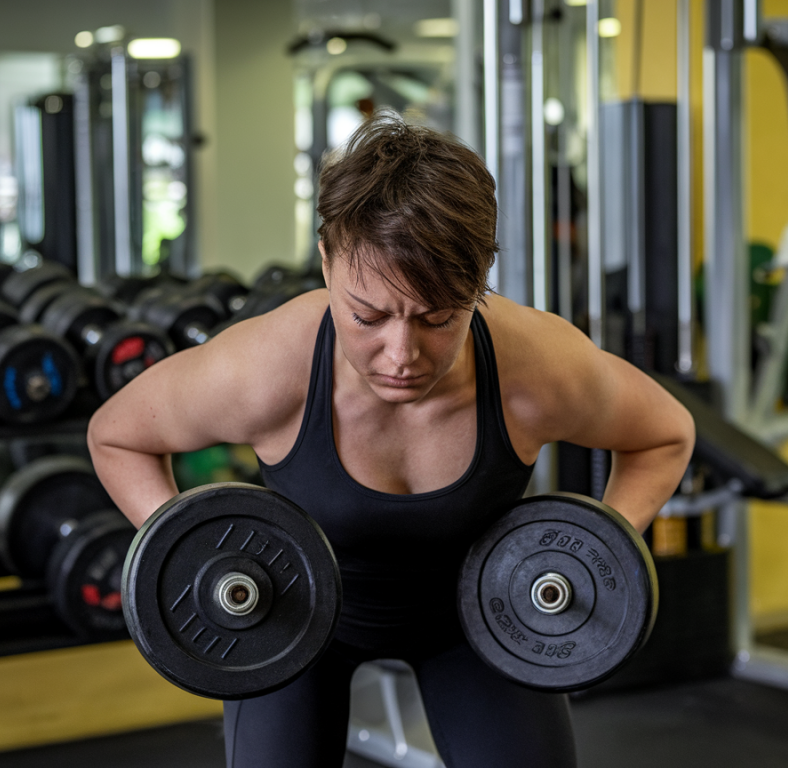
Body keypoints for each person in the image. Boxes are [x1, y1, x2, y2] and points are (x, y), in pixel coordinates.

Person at [88, 110, 695, 768]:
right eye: (368, 315)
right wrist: (187, 545)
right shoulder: (267, 369)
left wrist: (596, 551)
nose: (401, 352)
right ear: (326, 263)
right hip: (290, 616)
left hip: (480, 623)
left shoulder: (536, 368)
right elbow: (117, 436)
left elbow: (665, 436)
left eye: (437, 318)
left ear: (481, 279)